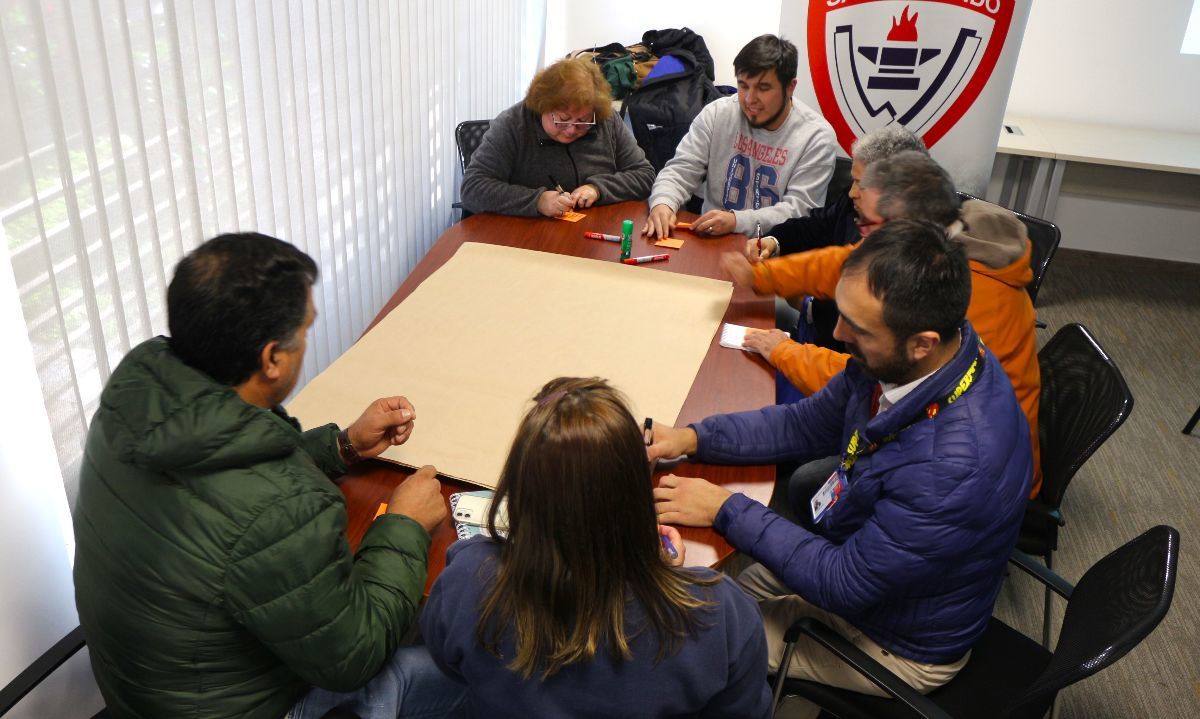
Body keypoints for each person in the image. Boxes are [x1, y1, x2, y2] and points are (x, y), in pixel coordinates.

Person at [72, 233, 465, 719]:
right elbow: (353, 656)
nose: (306, 341)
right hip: (236, 704)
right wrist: (404, 524)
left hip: (148, 690)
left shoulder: (138, 397)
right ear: (272, 359)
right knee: (473, 666)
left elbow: (223, 472)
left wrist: (343, 445)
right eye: (304, 332)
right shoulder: (281, 508)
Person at [649, 222, 1032, 714]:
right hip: (864, 556)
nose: (838, 334)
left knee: (684, 635)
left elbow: (841, 583)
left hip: (895, 639)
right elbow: (802, 424)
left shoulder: (952, 467)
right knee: (713, 596)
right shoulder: (920, 360)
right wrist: (693, 437)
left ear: (922, 342)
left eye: (859, 328)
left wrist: (726, 508)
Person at [421, 377, 772, 719]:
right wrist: (666, 578)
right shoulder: (719, 612)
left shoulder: (468, 581)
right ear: (635, 492)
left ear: (521, 491)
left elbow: (451, 666)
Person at [724, 150, 1043, 497]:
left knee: (803, 481)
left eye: (868, 225)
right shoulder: (926, 252)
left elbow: (874, 378)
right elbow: (843, 264)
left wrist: (785, 351)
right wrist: (763, 276)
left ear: (906, 229)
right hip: (925, 426)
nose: (860, 233)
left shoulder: (954, 295)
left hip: (973, 476)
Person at [643, 34, 836, 239]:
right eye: (743, 85)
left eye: (763, 88)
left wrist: (736, 221)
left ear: (790, 87)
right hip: (711, 243)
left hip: (772, 251)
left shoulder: (816, 137)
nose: (750, 99)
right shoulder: (718, 113)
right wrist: (663, 203)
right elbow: (681, 170)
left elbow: (799, 212)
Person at [461, 58, 655, 218]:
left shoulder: (606, 120)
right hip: (523, 239)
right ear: (542, 106)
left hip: (594, 236)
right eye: (562, 119)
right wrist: (537, 201)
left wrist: (598, 189)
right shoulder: (513, 124)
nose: (572, 129)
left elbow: (644, 175)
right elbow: (473, 188)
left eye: (583, 121)